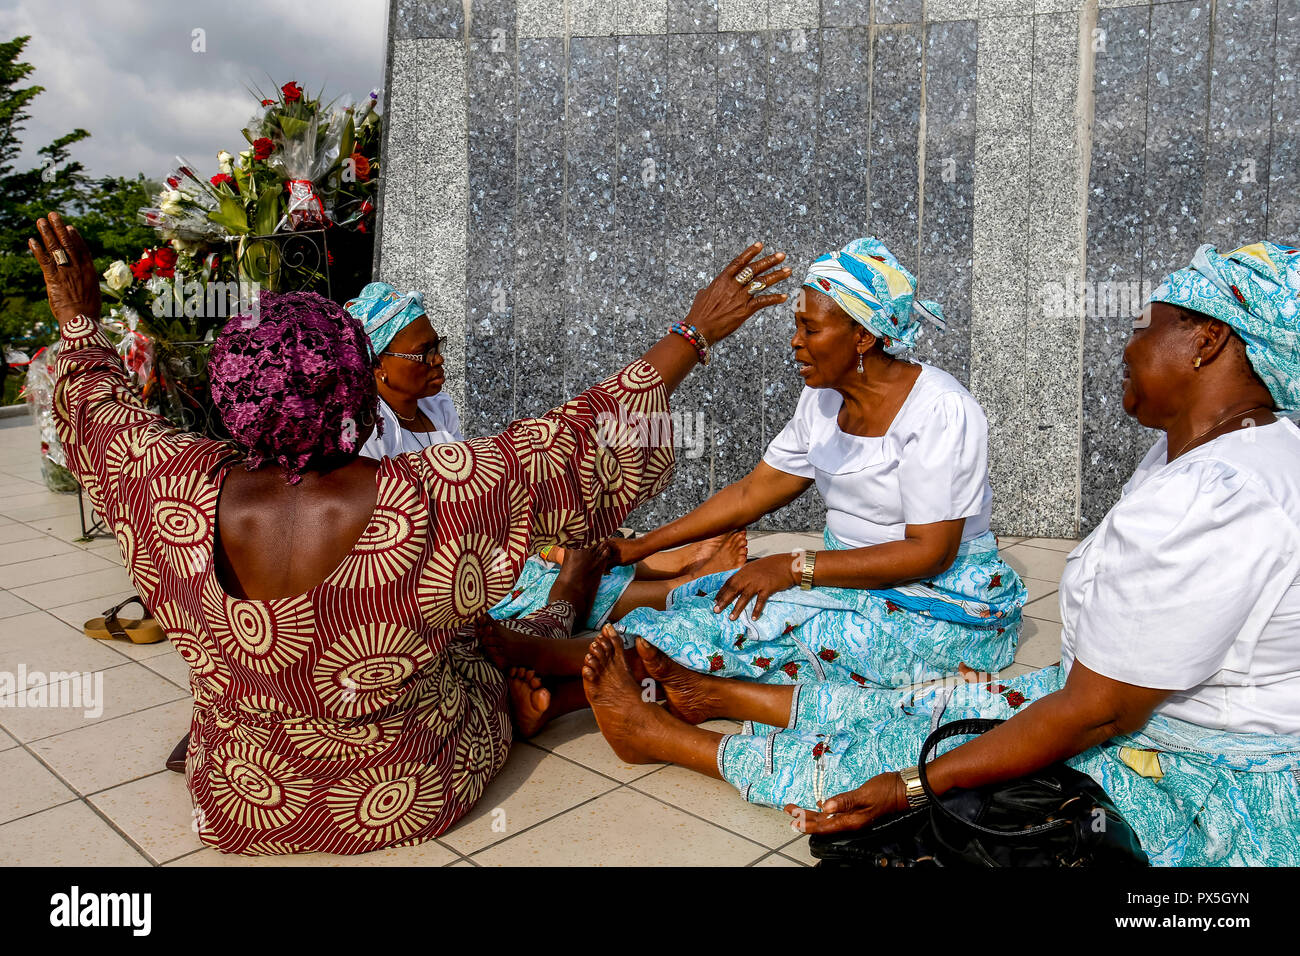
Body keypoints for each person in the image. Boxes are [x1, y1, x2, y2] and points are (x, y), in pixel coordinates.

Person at [30, 209, 792, 855]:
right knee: (485, 632)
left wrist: (76, 318)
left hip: (238, 797)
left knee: (484, 619)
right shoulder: (428, 496)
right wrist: (695, 329)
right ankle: (561, 660)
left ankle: (564, 627)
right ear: (354, 381)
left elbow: (101, 410)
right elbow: (577, 435)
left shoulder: (169, 485)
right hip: (410, 787)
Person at [577, 240, 1300, 866]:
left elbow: (1095, 713)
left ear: (1206, 340)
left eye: (1144, 328)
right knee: (920, 704)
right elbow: (758, 488)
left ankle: (664, 736)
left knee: (898, 753)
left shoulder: (1219, 493)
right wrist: (640, 546)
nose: (1124, 346)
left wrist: (914, 786)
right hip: (1117, 702)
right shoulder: (1222, 456)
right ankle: (708, 691)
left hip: (1194, 767)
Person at [492, 237, 1025, 691]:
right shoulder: (823, 400)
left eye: (810, 329)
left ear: (862, 336)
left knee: (760, 623)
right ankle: (568, 694)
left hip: (940, 602)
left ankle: (556, 667)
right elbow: (754, 492)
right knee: (705, 599)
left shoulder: (940, 410)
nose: (795, 342)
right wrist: (645, 545)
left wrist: (795, 568)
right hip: (849, 577)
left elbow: (931, 553)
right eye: (797, 325)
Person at [345, 281, 749, 634]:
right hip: (431, 572)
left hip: (477, 540)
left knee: (569, 540)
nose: (438, 358)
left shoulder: (437, 408)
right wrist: (691, 336)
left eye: (439, 345)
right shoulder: (370, 433)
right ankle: (678, 588)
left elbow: (486, 492)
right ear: (379, 363)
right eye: (424, 352)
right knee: (541, 579)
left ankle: (663, 562)